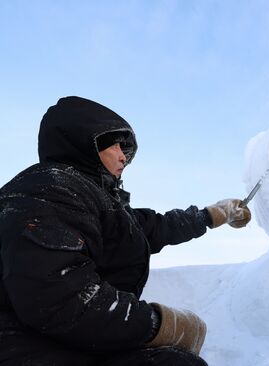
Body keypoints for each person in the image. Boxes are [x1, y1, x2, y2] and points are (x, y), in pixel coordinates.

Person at [0, 96, 251, 365]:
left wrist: (213, 215)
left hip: (63, 337)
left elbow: (153, 228)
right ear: (83, 141)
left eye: (125, 148)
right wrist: (157, 325)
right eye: (113, 145)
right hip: (24, 345)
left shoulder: (93, 197)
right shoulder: (50, 190)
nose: (123, 155)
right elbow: (61, 299)